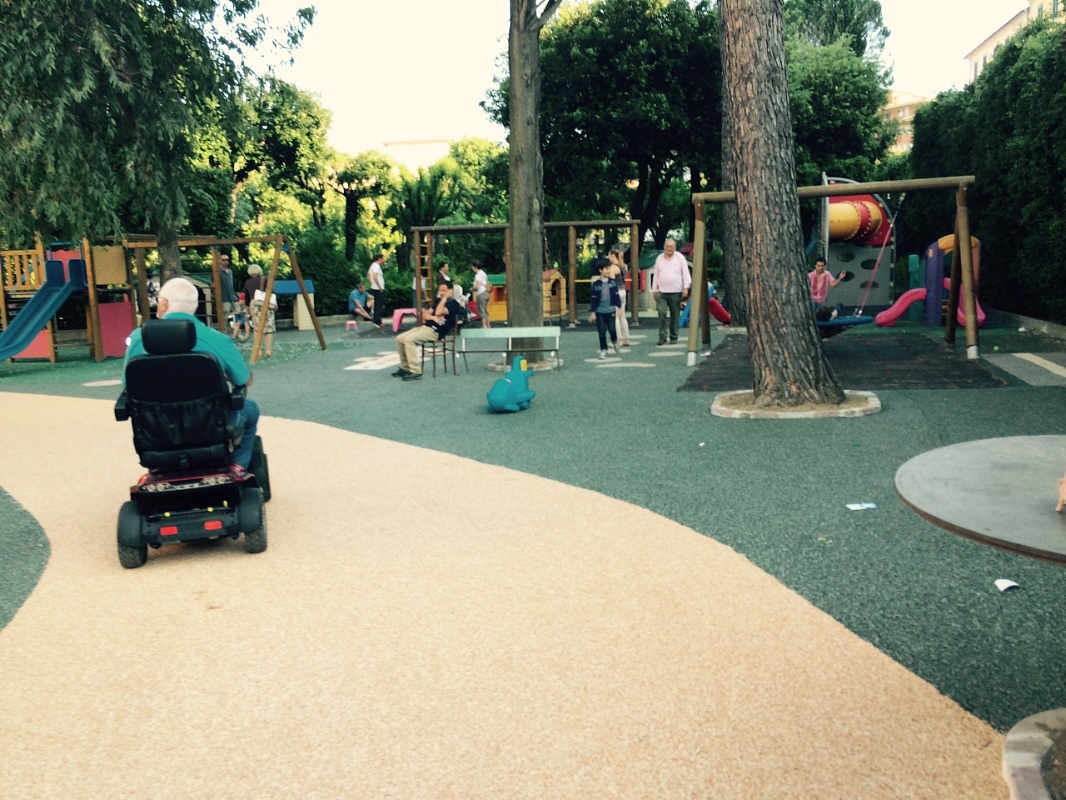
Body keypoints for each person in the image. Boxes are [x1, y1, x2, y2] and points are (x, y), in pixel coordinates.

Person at [123, 277, 260, 471]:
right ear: (194, 306)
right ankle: (237, 466)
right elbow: (243, 380)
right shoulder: (217, 340)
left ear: (163, 303)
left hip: (157, 433)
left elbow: (128, 385)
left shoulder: (138, 339)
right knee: (251, 408)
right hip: (210, 429)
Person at [393, 280, 462, 381]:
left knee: (409, 340)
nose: (441, 293)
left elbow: (438, 312)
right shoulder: (437, 302)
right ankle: (405, 368)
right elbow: (425, 314)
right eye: (440, 290)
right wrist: (433, 318)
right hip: (425, 327)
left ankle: (415, 370)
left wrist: (444, 299)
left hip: (436, 331)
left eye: (444, 291)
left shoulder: (454, 304)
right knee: (399, 338)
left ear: (451, 291)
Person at [651, 238, 691, 345]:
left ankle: (674, 336)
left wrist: (686, 287)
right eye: (667, 246)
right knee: (662, 312)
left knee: (675, 314)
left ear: (675, 248)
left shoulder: (680, 258)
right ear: (664, 247)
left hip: (676, 291)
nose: (669, 249)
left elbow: (685, 273)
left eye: (671, 247)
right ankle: (662, 336)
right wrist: (654, 289)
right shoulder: (659, 258)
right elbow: (656, 275)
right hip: (661, 292)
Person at [589, 258, 622, 359]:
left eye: (609, 268)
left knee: (612, 330)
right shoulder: (596, 284)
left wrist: (619, 308)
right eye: (606, 269)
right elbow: (593, 299)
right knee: (601, 332)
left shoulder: (612, 282)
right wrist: (593, 312)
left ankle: (614, 341)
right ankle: (603, 349)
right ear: (600, 270)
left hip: (611, 310)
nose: (608, 271)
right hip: (600, 312)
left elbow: (616, 296)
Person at [243, 264, 277, 359]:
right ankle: (268, 350)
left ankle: (258, 351)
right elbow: (272, 292)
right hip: (266, 304)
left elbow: (247, 297)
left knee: (257, 329)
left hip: (254, 305)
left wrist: (247, 308)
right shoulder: (265, 280)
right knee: (268, 328)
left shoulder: (247, 282)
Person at [607, 246, 631, 347]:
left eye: (609, 256)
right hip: (623, 291)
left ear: (613, 256)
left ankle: (618, 339)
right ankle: (626, 339)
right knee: (622, 316)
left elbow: (612, 282)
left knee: (615, 317)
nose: (608, 258)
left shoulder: (613, 267)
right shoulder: (624, 266)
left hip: (615, 292)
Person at [218, 251, 240, 340]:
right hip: (224, 298)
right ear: (220, 261)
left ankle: (237, 333)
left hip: (232, 296)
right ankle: (223, 334)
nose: (225, 261)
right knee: (224, 317)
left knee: (238, 313)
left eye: (227, 260)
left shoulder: (230, 271)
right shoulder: (217, 272)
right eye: (223, 260)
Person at [367, 253, 386, 327]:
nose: (383, 260)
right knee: (379, 304)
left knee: (377, 304)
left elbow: (368, 275)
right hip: (378, 288)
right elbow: (374, 276)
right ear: (379, 259)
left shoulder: (372, 265)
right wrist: (379, 286)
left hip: (375, 287)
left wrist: (372, 283)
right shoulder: (376, 266)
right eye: (382, 258)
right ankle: (378, 320)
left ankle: (377, 319)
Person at [471, 260, 491, 328]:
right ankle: (488, 325)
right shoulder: (483, 273)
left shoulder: (478, 275)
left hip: (481, 294)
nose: (472, 268)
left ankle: (484, 326)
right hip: (486, 293)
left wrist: (472, 289)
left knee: (481, 310)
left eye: (472, 267)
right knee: (485, 310)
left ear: (475, 267)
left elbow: (478, 287)